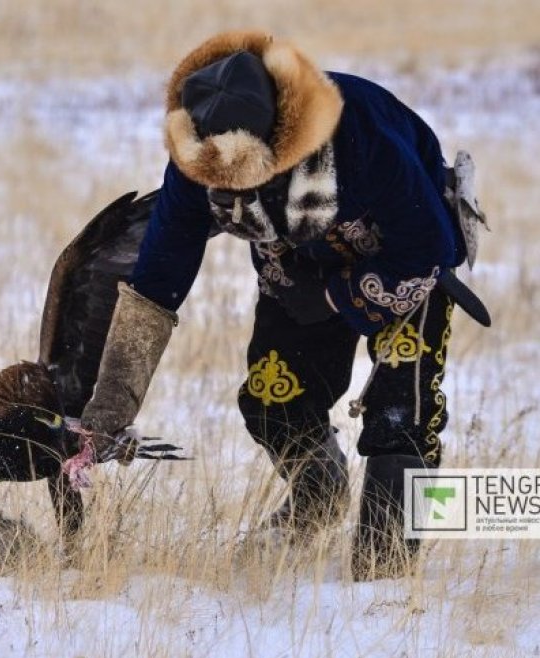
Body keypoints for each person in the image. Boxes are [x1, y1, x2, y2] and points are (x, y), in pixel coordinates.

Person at [79, 30, 483, 580]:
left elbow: (427, 248)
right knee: (273, 400)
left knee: (400, 416)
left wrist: (336, 298)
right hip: (293, 269)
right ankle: (317, 496)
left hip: (406, 262)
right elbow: (156, 282)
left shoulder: (360, 132)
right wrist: (110, 410)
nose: (222, 195)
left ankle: (385, 578)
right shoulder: (195, 159)